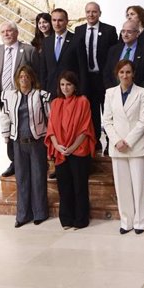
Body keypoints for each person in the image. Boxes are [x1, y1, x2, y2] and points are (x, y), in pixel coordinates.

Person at [104, 20, 144, 176]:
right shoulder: (114, 50)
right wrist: (113, 91)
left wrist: (136, 92)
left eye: (129, 31)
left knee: (141, 132)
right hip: (116, 97)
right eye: (123, 31)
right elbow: (108, 73)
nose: (125, 34)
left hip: (138, 98)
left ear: (138, 33)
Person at [0, 65, 51, 227]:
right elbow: (4, 117)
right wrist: (6, 138)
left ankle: (40, 213)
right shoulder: (10, 96)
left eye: (27, 76)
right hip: (18, 143)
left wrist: (51, 141)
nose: (24, 79)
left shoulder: (41, 96)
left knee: (38, 178)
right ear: (17, 79)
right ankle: (22, 215)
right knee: (22, 179)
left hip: (37, 143)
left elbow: (49, 118)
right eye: (21, 76)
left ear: (31, 79)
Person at [103, 60, 144, 235]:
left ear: (133, 74)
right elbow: (107, 120)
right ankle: (126, 221)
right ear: (117, 74)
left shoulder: (142, 93)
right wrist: (116, 141)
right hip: (117, 146)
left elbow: (143, 121)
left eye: (128, 72)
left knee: (138, 186)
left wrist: (127, 141)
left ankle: (140, 221)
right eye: (122, 72)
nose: (125, 75)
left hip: (135, 146)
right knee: (122, 187)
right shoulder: (110, 93)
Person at [45, 70, 96, 230]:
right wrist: (57, 145)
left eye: (68, 84)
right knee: (64, 186)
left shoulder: (83, 101)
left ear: (75, 86)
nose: (65, 88)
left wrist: (72, 147)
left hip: (78, 150)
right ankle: (66, 219)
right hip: (60, 150)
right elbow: (51, 128)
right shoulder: (55, 103)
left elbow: (85, 128)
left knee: (79, 186)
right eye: (62, 84)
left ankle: (81, 220)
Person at [0, 21, 38, 177]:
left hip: (23, 98)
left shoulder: (28, 50)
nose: (6, 34)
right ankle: (14, 162)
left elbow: (37, 74)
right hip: (4, 98)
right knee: (8, 132)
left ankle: (32, 160)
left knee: (25, 129)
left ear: (16, 33)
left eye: (9, 31)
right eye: (3, 31)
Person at [74, 2, 118, 150]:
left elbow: (114, 56)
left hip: (104, 78)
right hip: (87, 79)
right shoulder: (78, 30)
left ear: (99, 13)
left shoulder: (109, 30)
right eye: (88, 12)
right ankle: (96, 142)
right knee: (91, 112)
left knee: (109, 111)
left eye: (94, 12)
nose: (91, 15)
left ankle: (111, 142)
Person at [40, 8, 83, 99]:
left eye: (60, 20)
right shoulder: (46, 42)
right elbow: (43, 69)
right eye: (54, 20)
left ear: (66, 21)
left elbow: (81, 68)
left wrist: (82, 91)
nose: (57, 23)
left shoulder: (76, 40)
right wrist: (43, 90)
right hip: (51, 91)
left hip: (71, 92)